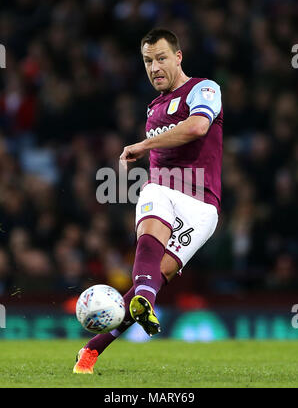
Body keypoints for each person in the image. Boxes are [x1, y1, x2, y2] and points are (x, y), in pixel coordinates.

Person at [73, 28, 223, 374]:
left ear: (178, 57)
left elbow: (198, 127)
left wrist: (142, 146)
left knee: (152, 279)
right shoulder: (153, 108)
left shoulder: (204, 88)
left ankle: (99, 340)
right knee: (152, 190)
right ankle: (93, 352)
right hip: (163, 192)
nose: (154, 67)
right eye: (147, 61)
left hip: (202, 207)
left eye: (161, 58)